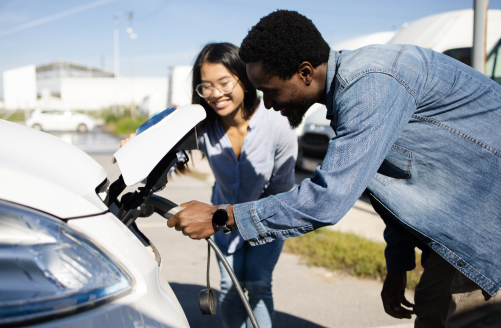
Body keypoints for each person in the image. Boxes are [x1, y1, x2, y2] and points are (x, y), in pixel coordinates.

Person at [167, 10, 501, 327]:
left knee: (468, 319)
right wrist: (398, 266)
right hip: (454, 230)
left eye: (270, 91)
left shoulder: (371, 84)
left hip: (486, 227)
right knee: (430, 317)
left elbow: (329, 198)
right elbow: (395, 183)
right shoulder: (353, 90)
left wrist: (222, 216)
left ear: (305, 72)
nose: (267, 104)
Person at [123, 42, 297, 328]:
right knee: (230, 286)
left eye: (224, 82)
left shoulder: (278, 123)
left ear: (244, 77)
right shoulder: (203, 126)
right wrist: (138, 148)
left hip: (268, 217)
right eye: (206, 86)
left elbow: (281, 191)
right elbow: (163, 162)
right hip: (222, 221)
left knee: (258, 281)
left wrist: (255, 222)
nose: (216, 94)